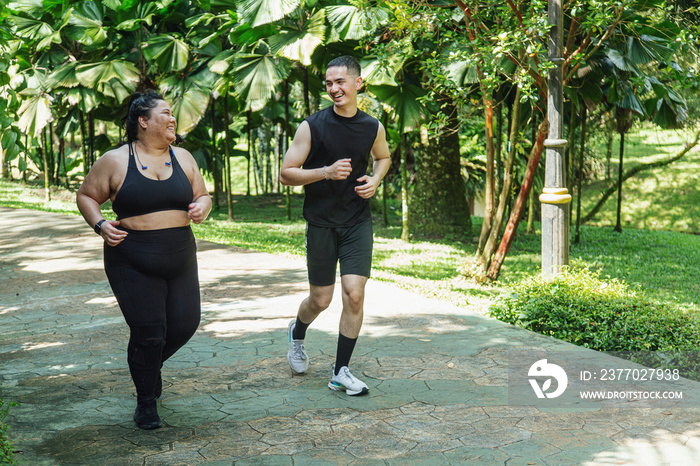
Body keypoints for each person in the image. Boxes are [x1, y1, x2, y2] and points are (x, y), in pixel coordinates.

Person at [76, 91, 212, 429]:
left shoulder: (183, 157)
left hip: (180, 255)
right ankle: (146, 401)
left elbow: (203, 194)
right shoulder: (116, 160)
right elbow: (86, 195)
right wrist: (100, 224)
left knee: (184, 324)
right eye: (165, 113)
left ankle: (148, 368)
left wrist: (204, 205)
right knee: (149, 333)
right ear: (143, 121)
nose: (172, 119)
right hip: (132, 258)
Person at [279, 56, 391, 396]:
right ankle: (297, 333)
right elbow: (286, 173)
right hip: (322, 223)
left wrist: (375, 179)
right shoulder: (312, 126)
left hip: (357, 221)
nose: (333, 88)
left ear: (358, 83)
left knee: (354, 295)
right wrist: (324, 172)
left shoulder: (373, 126)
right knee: (321, 299)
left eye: (340, 82)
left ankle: (340, 371)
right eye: (329, 83)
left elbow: (382, 157)